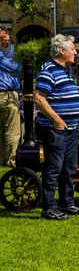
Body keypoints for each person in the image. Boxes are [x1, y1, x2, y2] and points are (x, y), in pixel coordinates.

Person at [33, 34, 79, 220]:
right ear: (61, 51)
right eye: (72, 49)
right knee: (54, 167)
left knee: (69, 168)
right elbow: (38, 98)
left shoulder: (63, 71)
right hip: (56, 128)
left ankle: (67, 203)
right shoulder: (48, 69)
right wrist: (57, 120)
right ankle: (48, 207)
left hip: (70, 128)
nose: (75, 52)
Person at [0, 27, 21, 167]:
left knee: (2, 131)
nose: (7, 43)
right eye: (4, 41)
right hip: (6, 95)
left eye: (8, 40)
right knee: (12, 130)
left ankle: (2, 160)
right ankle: (12, 161)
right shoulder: (2, 57)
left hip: (6, 94)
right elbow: (17, 68)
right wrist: (14, 66)